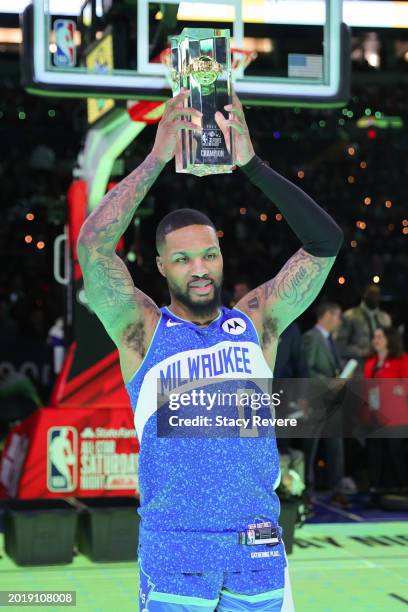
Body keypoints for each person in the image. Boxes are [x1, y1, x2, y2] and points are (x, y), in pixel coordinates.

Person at [77, 87, 343, 611]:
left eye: (209, 254)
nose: (199, 268)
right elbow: (92, 246)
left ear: (221, 256)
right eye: (182, 259)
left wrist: (252, 165)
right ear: (160, 266)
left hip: (257, 549)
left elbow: (325, 242)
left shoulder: (257, 321)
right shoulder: (142, 329)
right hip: (176, 551)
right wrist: (156, 158)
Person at [302, 302, 351, 508]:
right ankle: (306, 492)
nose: (339, 321)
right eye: (338, 315)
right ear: (327, 315)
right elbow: (307, 371)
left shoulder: (330, 340)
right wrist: (328, 382)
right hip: (315, 403)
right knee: (310, 449)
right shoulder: (311, 338)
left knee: (335, 448)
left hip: (331, 404)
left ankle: (337, 490)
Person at [363, 327, 408, 498]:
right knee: (375, 452)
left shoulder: (402, 360)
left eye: (380, 336)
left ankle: (400, 487)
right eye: (374, 336)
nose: (376, 339)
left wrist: (398, 388)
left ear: (389, 339)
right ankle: (375, 487)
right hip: (374, 415)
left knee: (395, 452)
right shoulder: (370, 363)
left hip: (396, 417)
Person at [336, 284, 392, 371]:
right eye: (371, 294)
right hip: (357, 369)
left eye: (377, 295)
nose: (374, 298)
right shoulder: (350, 316)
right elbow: (340, 346)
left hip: (381, 367)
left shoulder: (385, 318)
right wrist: (364, 352)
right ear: (364, 295)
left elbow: (391, 343)